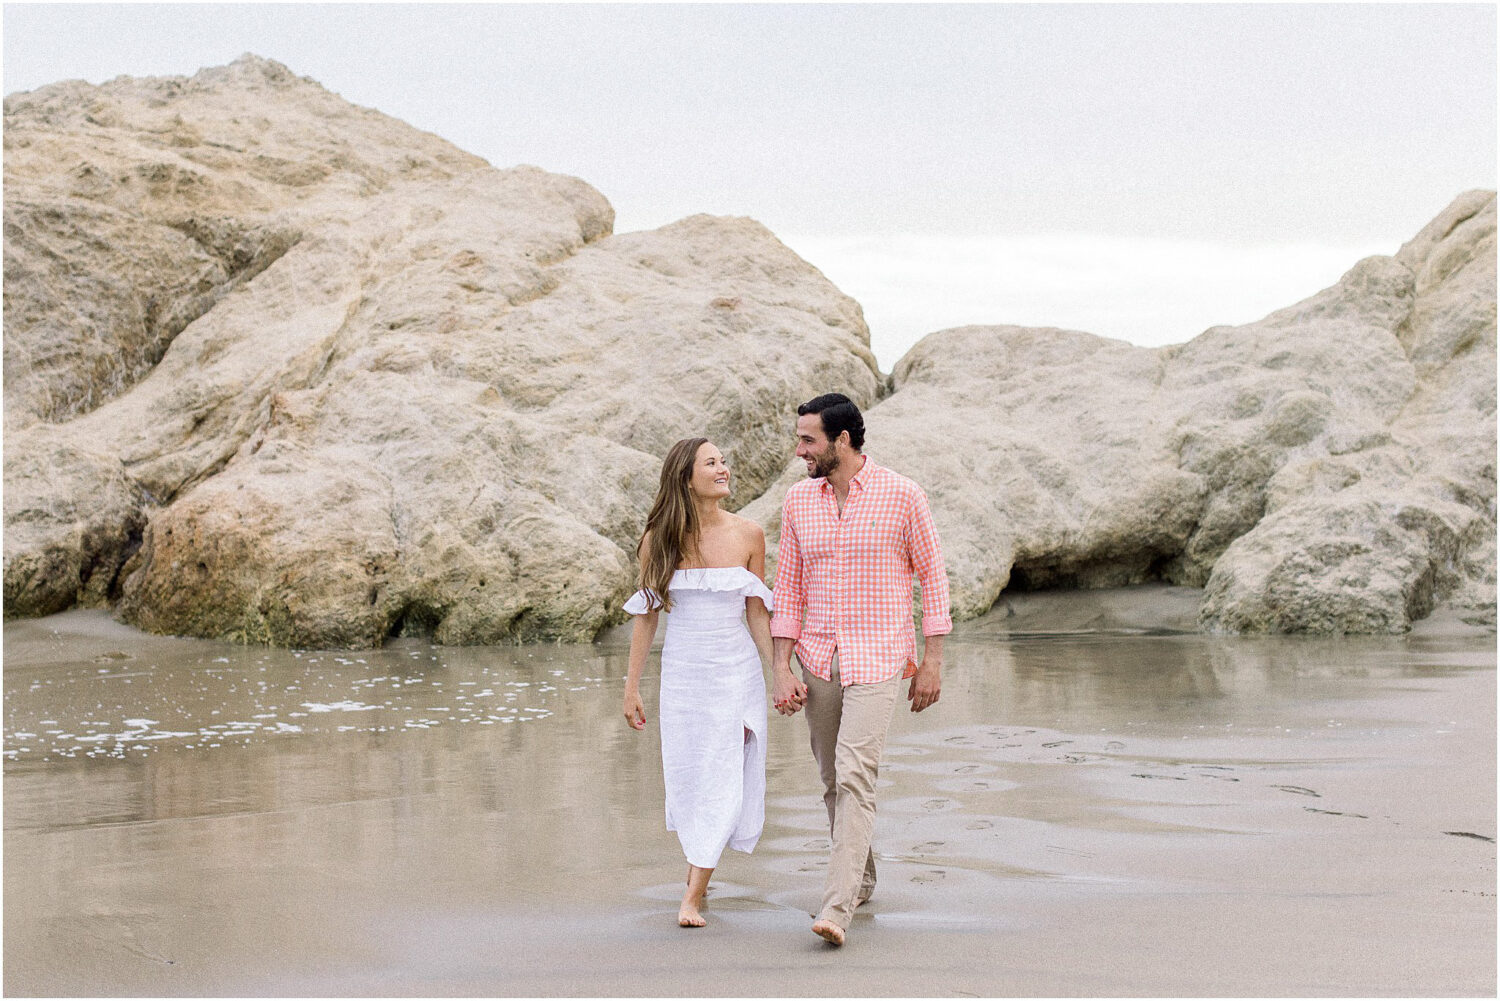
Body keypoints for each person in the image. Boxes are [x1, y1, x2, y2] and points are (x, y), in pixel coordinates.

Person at [768, 393, 952, 947]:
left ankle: (836, 905)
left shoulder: (902, 495)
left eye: (808, 440)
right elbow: (789, 589)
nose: (799, 450)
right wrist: (781, 666)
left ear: (841, 441)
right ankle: (863, 876)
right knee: (831, 779)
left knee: (854, 772)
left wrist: (932, 661)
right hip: (819, 657)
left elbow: (934, 578)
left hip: (878, 655)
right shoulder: (799, 502)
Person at [622, 437, 775, 928]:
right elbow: (646, 617)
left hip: (737, 674)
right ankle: (698, 877)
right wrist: (631, 687)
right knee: (691, 779)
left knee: (726, 775)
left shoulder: (750, 535)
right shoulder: (657, 540)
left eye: (724, 460)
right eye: (712, 463)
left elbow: (756, 612)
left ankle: (690, 896)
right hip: (685, 678)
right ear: (686, 478)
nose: (724, 468)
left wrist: (779, 675)